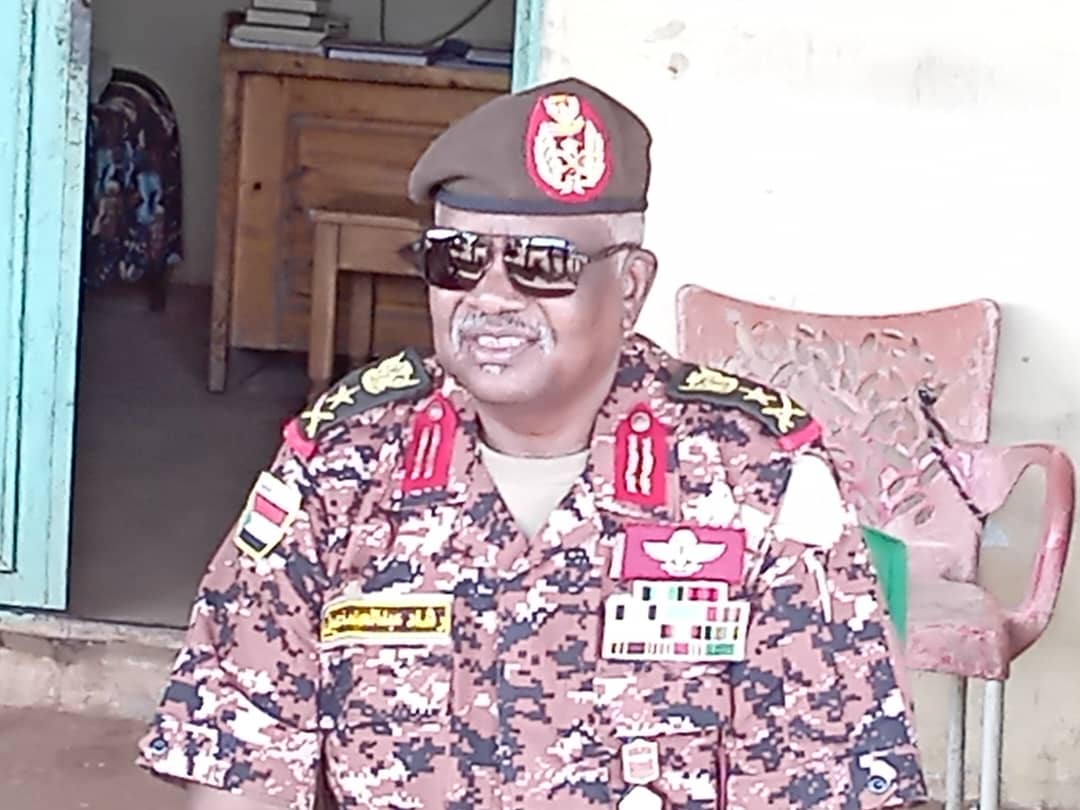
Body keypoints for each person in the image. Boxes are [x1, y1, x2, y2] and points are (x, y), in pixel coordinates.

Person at [136, 76, 928, 810]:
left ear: (630, 287)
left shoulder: (756, 476)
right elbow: (237, 764)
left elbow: (829, 777)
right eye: (457, 259)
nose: (490, 297)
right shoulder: (341, 466)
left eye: (542, 265)